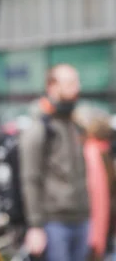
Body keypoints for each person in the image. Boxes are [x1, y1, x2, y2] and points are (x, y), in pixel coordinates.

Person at [20, 64, 89, 261]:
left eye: (76, 82)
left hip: (81, 219)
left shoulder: (75, 125)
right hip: (54, 223)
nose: (76, 88)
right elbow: (30, 178)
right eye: (69, 83)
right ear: (52, 87)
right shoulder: (41, 128)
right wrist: (35, 226)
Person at [74, 106, 116, 260]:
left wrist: (96, 238)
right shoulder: (100, 152)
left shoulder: (93, 152)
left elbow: (99, 198)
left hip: (97, 229)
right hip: (102, 229)